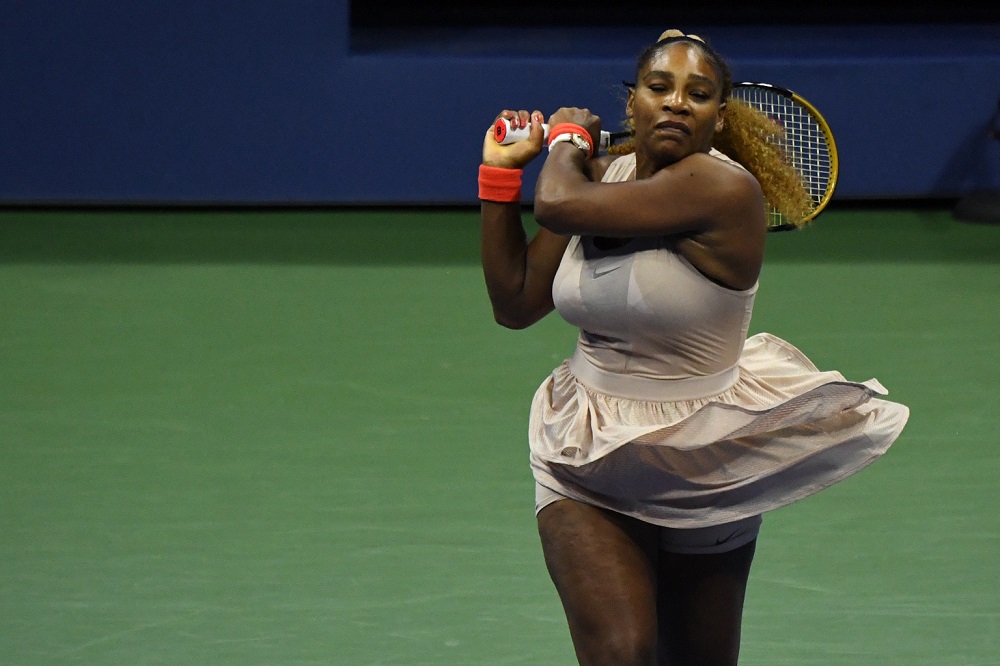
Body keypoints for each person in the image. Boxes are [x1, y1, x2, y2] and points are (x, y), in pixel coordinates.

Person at [478, 30, 909, 666]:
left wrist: (567, 139)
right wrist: (497, 176)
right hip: (587, 447)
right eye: (660, 87)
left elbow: (560, 201)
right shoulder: (601, 178)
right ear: (634, 105)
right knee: (622, 653)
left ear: (718, 116)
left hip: (703, 457)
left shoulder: (723, 191)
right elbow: (516, 302)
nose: (677, 102)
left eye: (698, 93)